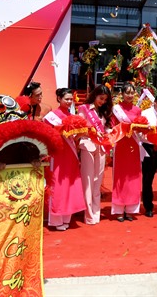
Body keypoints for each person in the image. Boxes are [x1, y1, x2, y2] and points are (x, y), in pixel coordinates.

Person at [43, 88, 86, 230]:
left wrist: (81, 134)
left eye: (70, 99)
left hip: (71, 154)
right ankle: (56, 219)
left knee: (70, 183)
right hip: (58, 154)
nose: (69, 102)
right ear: (59, 99)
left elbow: (75, 138)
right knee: (58, 184)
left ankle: (67, 216)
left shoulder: (72, 116)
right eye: (66, 99)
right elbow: (47, 135)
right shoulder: (51, 116)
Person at [77, 84, 112, 224]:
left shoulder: (103, 111)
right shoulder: (84, 108)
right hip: (87, 145)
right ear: (95, 95)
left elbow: (106, 128)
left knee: (98, 180)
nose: (103, 102)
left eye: (105, 100)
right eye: (101, 98)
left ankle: (96, 213)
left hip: (101, 147)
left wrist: (110, 133)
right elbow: (79, 127)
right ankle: (89, 214)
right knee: (88, 181)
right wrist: (91, 132)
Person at [110, 83, 146, 222]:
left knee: (133, 177)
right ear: (122, 93)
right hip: (120, 144)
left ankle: (131, 209)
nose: (130, 95)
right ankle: (119, 209)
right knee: (120, 177)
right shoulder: (116, 109)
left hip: (134, 145)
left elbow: (140, 126)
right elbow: (113, 127)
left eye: (132, 93)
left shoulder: (137, 110)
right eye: (127, 93)